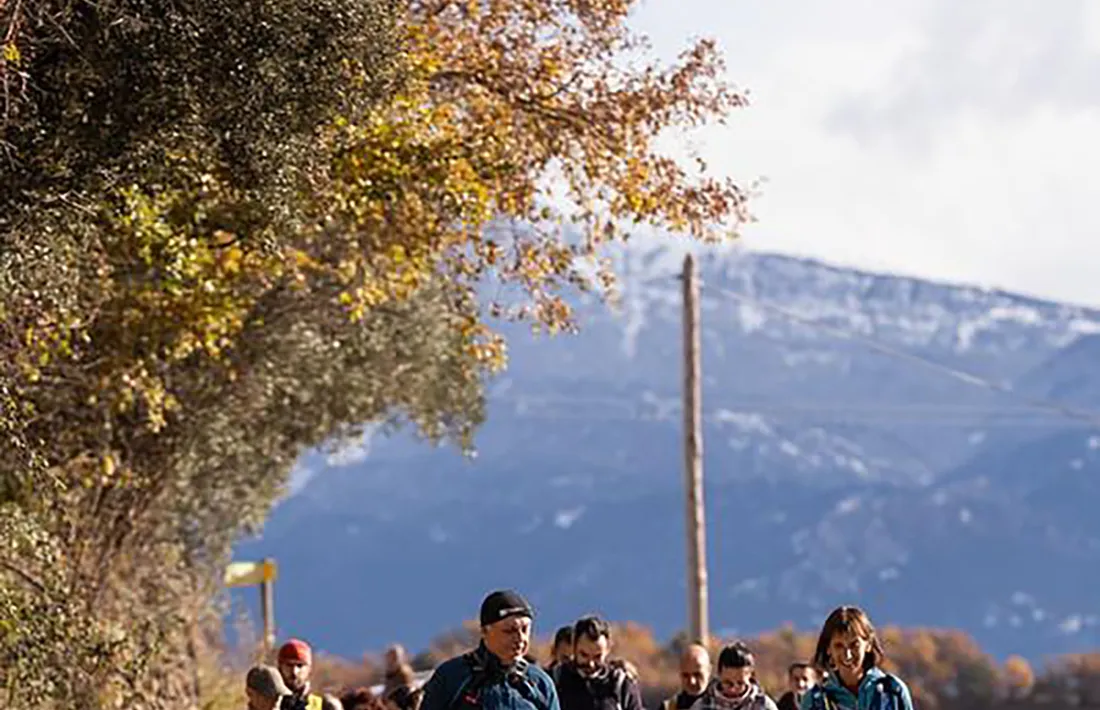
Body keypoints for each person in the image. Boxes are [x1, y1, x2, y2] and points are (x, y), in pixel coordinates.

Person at [418, 589, 560, 710]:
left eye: (525, 629)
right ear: (485, 631)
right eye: (509, 631)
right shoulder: (452, 676)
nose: (520, 638)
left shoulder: (540, 683)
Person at [800, 606, 914, 710]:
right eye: (839, 646)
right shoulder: (813, 701)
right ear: (828, 649)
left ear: (868, 644)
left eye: (854, 645)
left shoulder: (893, 692)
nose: (847, 654)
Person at [553, 615, 644, 710]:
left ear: (608, 650)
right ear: (574, 648)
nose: (591, 664)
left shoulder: (621, 684)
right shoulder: (556, 680)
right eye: (584, 655)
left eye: (597, 657)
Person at [689, 642, 777, 710]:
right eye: (728, 683)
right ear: (719, 675)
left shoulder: (764, 706)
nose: (734, 689)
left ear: (751, 677)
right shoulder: (702, 706)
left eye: (740, 683)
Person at [278, 638, 326, 710]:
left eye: (300, 665)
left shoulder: (320, 706)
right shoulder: (264, 700)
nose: (294, 671)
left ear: (309, 669)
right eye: (289, 665)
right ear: (280, 666)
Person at [661, 644, 712, 710]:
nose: (692, 681)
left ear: (709, 671)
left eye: (697, 674)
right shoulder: (669, 707)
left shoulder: (724, 705)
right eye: (686, 675)